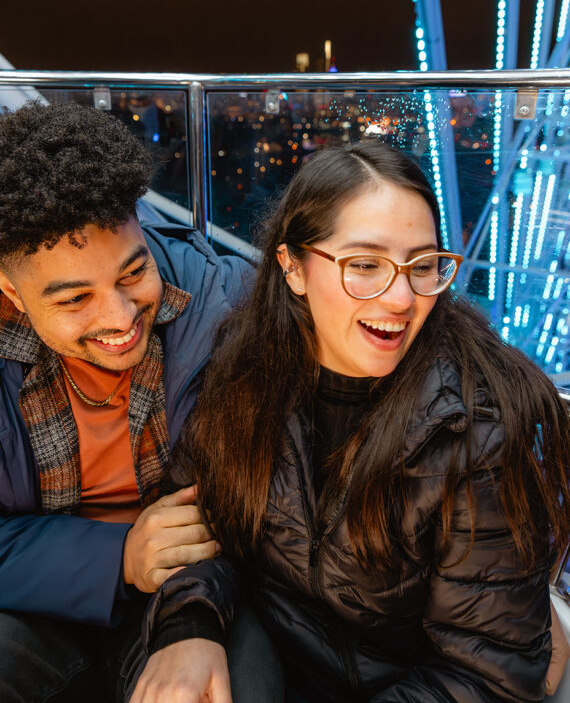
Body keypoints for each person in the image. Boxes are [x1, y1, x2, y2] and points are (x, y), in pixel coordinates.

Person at [148, 140, 570, 702]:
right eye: (366, 265)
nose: (400, 297)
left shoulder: (476, 431)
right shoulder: (244, 370)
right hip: (281, 663)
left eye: (422, 266)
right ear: (292, 268)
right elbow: (200, 523)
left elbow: (486, 672)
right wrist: (189, 626)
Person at [0, 101, 281, 703]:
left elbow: (255, 493)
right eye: (75, 300)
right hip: (33, 602)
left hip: (191, 585)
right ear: (11, 292)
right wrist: (119, 558)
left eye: (133, 273)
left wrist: (189, 617)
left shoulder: (220, 309)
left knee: (244, 685)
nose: (121, 318)